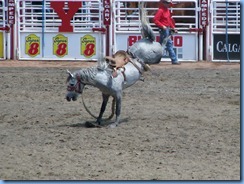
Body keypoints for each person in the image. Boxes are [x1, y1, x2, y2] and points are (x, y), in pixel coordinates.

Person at [153, 0, 180, 65]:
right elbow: (155, 20)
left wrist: (173, 27)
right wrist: (162, 26)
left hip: (165, 29)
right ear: (164, 3)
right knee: (168, 44)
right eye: (167, 3)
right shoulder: (161, 10)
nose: (168, 4)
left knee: (163, 45)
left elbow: (169, 20)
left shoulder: (165, 10)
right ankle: (174, 60)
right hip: (164, 29)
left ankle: (156, 59)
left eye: (168, 3)